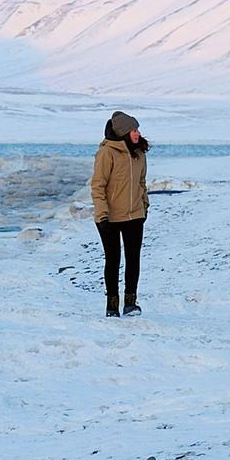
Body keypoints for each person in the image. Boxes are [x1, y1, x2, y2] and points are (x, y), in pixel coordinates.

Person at [90, 111, 149, 317]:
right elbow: (98, 186)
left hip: (135, 215)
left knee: (133, 259)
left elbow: (142, 182)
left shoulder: (139, 152)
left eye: (137, 129)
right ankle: (112, 305)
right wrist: (102, 214)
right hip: (110, 217)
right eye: (134, 130)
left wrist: (144, 206)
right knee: (113, 259)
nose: (138, 133)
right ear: (124, 132)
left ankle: (131, 303)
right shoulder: (107, 153)